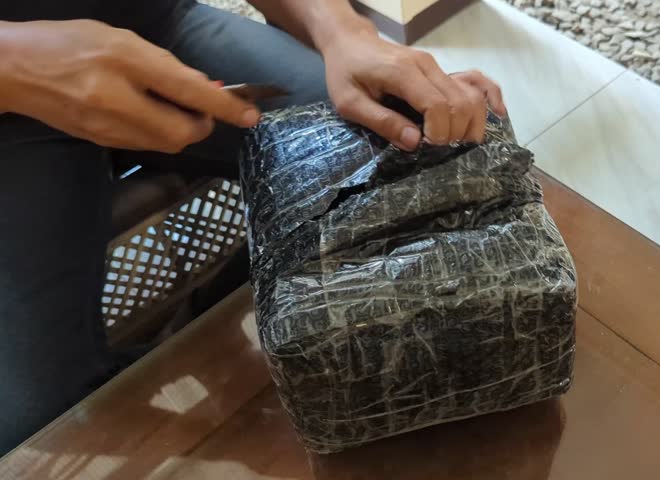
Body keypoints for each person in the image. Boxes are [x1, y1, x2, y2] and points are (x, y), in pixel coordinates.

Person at [0, 0, 506, 455]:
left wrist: (344, 32)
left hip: (146, 22)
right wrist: (15, 62)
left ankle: (225, 303)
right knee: (34, 427)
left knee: (407, 148)